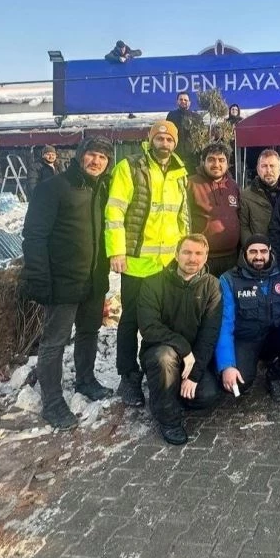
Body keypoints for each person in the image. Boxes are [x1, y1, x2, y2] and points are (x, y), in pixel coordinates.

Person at [20, 137, 114, 429]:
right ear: (79, 156)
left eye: (102, 157)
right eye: (91, 155)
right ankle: (52, 402)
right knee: (54, 342)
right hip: (62, 281)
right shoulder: (53, 188)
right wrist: (39, 279)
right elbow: (33, 236)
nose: (96, 161)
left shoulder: (102, 189)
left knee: (88, 332)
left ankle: (85, 380)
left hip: (93, 279)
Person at [106, 120, 190, 407]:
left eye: (169, 140)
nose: (164, 144)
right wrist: (116, 251)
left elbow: (182, 216)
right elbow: (114, 212)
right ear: (150, 140)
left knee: (161, 320)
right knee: (131, 319)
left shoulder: (180, 172)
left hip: (167, 263)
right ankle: (128, 376)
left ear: (174, 144)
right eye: (160, 138)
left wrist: (186, 255)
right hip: (136, 261)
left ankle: (154, 369)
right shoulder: (130, 167)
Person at [137, 234, 223, 445]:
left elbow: (209, 334)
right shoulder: (153, 283)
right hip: (161, 352)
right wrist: (184, 348)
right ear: (176, 255)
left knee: (208, 395)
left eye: (198, 253)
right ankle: (168, 419)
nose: (192, 258)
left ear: (205, 257)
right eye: (186, 252)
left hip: (194, 359)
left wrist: (193, 375)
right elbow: (149, 327)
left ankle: (168, 390)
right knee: (164, 358)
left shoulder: (212, 286)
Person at [215, 235, 280, 402]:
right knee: (237, 386)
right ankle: (244, 364)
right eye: (253, 252)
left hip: (274, 335)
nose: (258, 256)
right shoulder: (229, 279)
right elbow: (224, 325)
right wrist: (227, 366)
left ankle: (275, 374)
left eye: (263, 251)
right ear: (244, 254)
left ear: (270, 253)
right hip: (246, 338)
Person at [188, 143, 241, 277]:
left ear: (228, 164)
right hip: (203, 258)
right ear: (203, 162)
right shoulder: (191, 184)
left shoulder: (233, 186)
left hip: (231, 258)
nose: (216, 164)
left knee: (227, 296)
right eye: (211, 159)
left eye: (221, 160)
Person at [240, 149, 280, 246]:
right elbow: (243, 227)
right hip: (259, 254)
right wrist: (253, 248)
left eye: (272, 166)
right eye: (264, 166)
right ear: (258, 169)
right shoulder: (246, 196)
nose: (268, 170)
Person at [166, 93, 201, 173]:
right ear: (177, 101)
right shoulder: (171, 115)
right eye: (181, 99)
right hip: (176, 153)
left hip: (192, 156)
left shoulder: (196, 117)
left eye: (185, 100)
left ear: (189, 102)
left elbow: (200, 137)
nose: (183, 101)